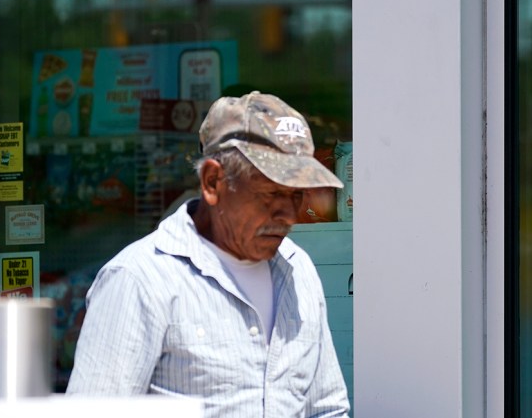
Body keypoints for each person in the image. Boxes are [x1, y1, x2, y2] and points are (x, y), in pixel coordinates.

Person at [67, 91, 351, 418]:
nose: (288, 214)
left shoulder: (296, 269)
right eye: (270, 194)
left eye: (296, 195)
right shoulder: (139, 281)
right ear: (213, 182)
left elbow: (327, 409)